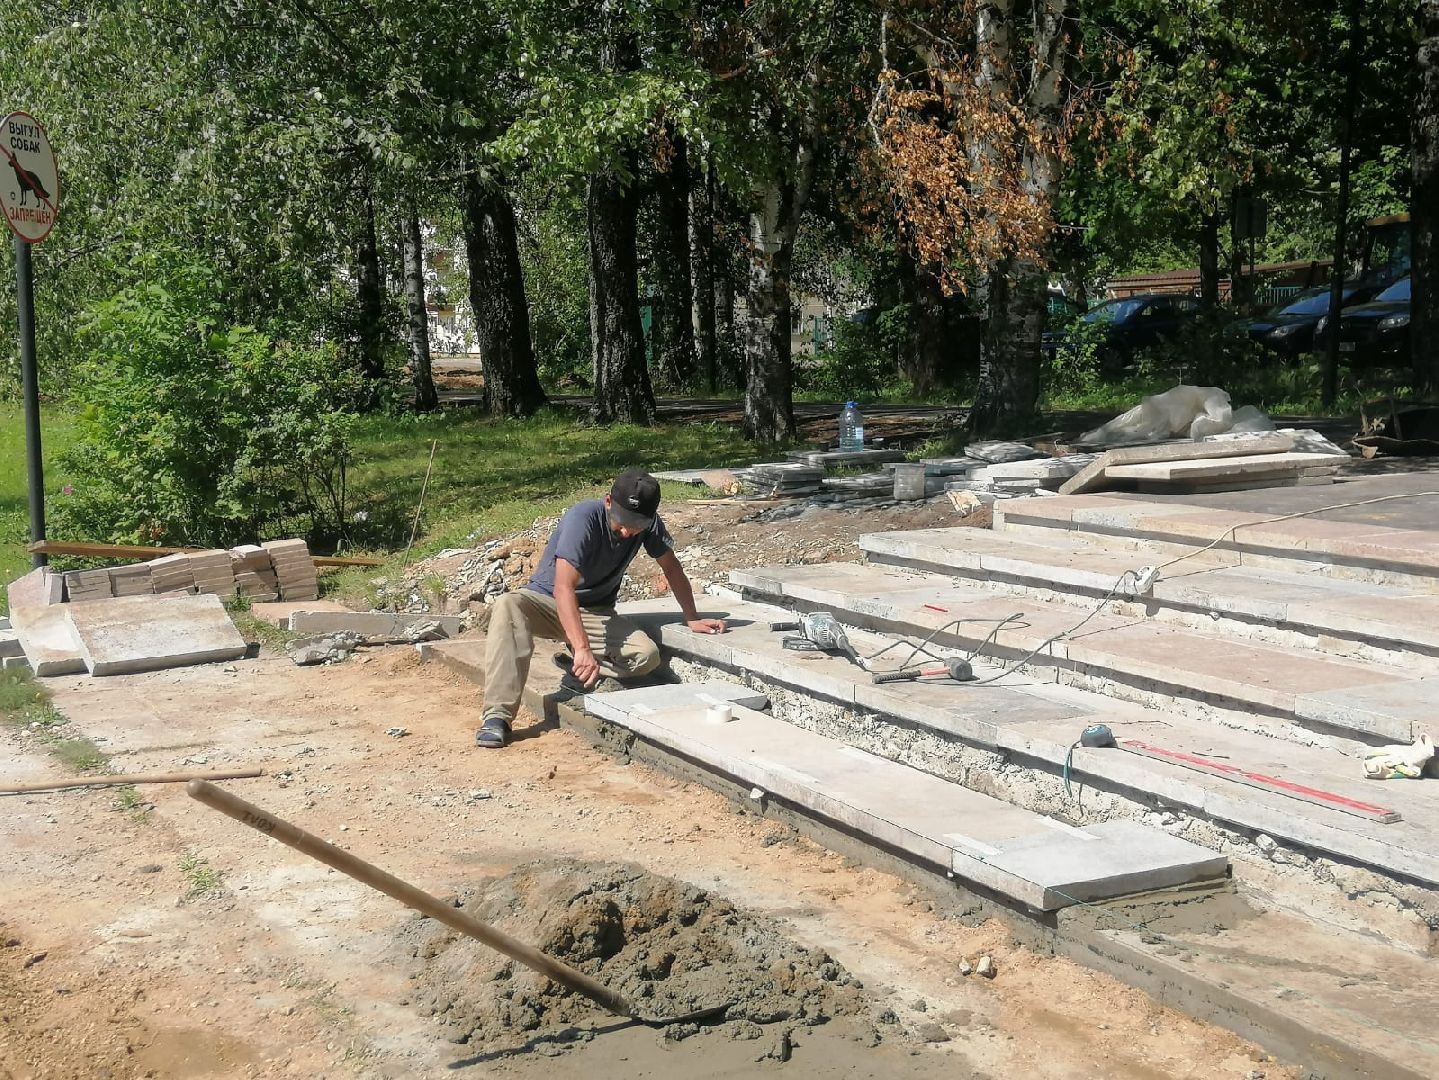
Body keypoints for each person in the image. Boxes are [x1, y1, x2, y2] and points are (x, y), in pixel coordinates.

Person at [476, 469, 727, 748]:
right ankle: (497, 716)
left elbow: (671, 567)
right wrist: (583, 647)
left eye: (636, 524)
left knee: (647, 656)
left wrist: (691, 617)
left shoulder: (650, 524)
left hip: (596, 612)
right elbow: (563, 588)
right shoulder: (582, 518)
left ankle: (578, 666)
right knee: (508, 605)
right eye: (622, 521)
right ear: (608, 502)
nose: (627, 530)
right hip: (546, 603)